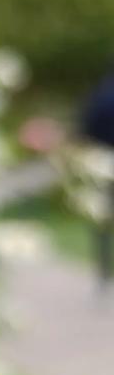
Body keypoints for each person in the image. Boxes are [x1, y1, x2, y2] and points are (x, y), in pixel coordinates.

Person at [80, 73, 114, 282]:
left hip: (101, 161)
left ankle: (103, 269)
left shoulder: (100, 94)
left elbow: (87, 126)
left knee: (102, 217)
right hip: (101, 161)